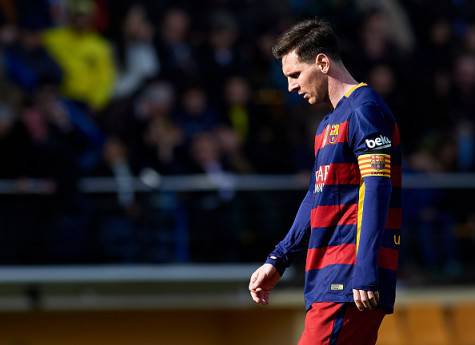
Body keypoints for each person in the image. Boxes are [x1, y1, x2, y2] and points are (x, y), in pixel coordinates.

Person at [248, 19, 402, 345]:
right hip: (329, 275)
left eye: (294, 75)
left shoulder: (365, 110)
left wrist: (365, 269)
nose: (290, 87)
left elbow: (377, 187)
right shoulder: (329, 123)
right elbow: (316, 197)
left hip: (349, 279)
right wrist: (278, 259)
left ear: (322, 62)